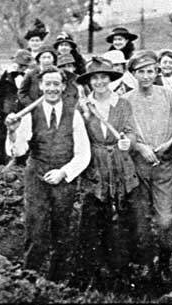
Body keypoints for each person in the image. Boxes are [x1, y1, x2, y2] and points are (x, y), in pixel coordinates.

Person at [5, 66, 91, 281]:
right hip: (37, 177)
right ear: (41, 86)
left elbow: (83, 153)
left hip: (64, 179)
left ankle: (56, 280)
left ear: (63, 87)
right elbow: (18, 151)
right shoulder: (29, 113)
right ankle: (30, 276)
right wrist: (12, 132)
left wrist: (64, 173)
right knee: (36, 227)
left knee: (62, 228)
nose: (52, 88)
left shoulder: (74, 115)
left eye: (56, 84)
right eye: (47, 84)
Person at [74, 57, 139, 284]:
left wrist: (127, 142)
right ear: (89, 81)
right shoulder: (83, 106)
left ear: (110, 80)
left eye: (103, 77)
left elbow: (131, 131)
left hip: (119, 164)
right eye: (95, 78)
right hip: (95, 164)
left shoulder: (122, 104)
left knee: (120, 216)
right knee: (93, 215)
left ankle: (121, 269)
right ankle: (93, 271)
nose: (100, 82)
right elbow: (78, 135)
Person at [123, 51, 172, 267]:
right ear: (133, 74)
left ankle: (165, 261)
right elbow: (122, 133)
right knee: (140, 220)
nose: (146, 76)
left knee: (165, 218)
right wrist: (139, 147)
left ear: (157, 72)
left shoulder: (170, 95)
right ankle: (147, 264)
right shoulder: (126, 100)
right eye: (141, 72)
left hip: (164, 165)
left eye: (150, 71)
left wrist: (169, 143)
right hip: (137, 167)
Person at [0, 49, 33, 164]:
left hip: (25, 114)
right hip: (8, 113)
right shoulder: (6, 77)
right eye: (20, 66)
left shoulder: (30, 78)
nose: (22, 69)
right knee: (5, 143)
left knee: (24, 141)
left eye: (25, 66)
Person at [18, 45, 58, 109]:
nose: (47, 60)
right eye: (44, 57)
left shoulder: (58, 73)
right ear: (39, 59)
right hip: (34, 108)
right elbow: (22, 92)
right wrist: (31, 105)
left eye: (49, 57)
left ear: (53, 59)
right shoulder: (31, 74)